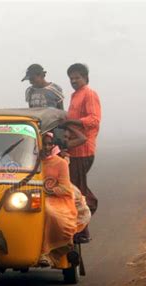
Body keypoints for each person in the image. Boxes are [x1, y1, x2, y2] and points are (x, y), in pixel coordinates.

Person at [61, 63, 102, 243]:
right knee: (77, 187)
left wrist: (72, 122)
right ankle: (84, 216)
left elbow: (93, 120)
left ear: (85, 77)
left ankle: (83, 230)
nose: (73, 80)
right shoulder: (74, 95)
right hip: (73, 149)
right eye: (71, 78)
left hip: (83, 149)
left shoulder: (89, 93)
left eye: (77, 77)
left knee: (78, 191)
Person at [39, 133, 78, 267]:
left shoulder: (61, 163)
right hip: (32, 198)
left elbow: (65, 188)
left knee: (49, 213)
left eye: (50, 143)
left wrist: (47, 190)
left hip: (58, 200)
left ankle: (47, 253)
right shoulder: (30, 161)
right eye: (44, 143)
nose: (47, 146)